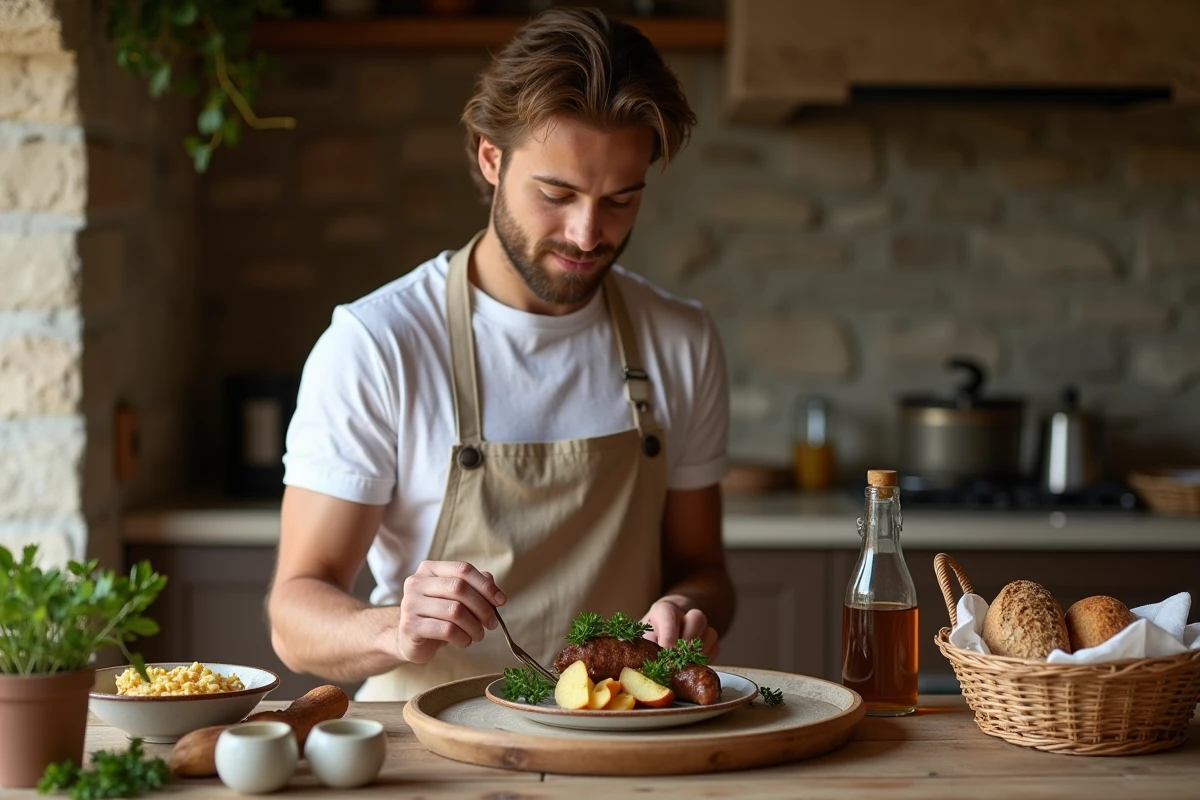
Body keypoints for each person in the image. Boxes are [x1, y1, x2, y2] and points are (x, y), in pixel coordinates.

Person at [266, 5, 734, 701]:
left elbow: (703, 569)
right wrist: (393, 628)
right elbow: (294, 615)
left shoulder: (680, 339)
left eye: (620, 200)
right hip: (427, 751)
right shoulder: (377, 344)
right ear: (491, 158)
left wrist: (688, 610)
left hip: (618, 742)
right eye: (557, 194)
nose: (586, 233)